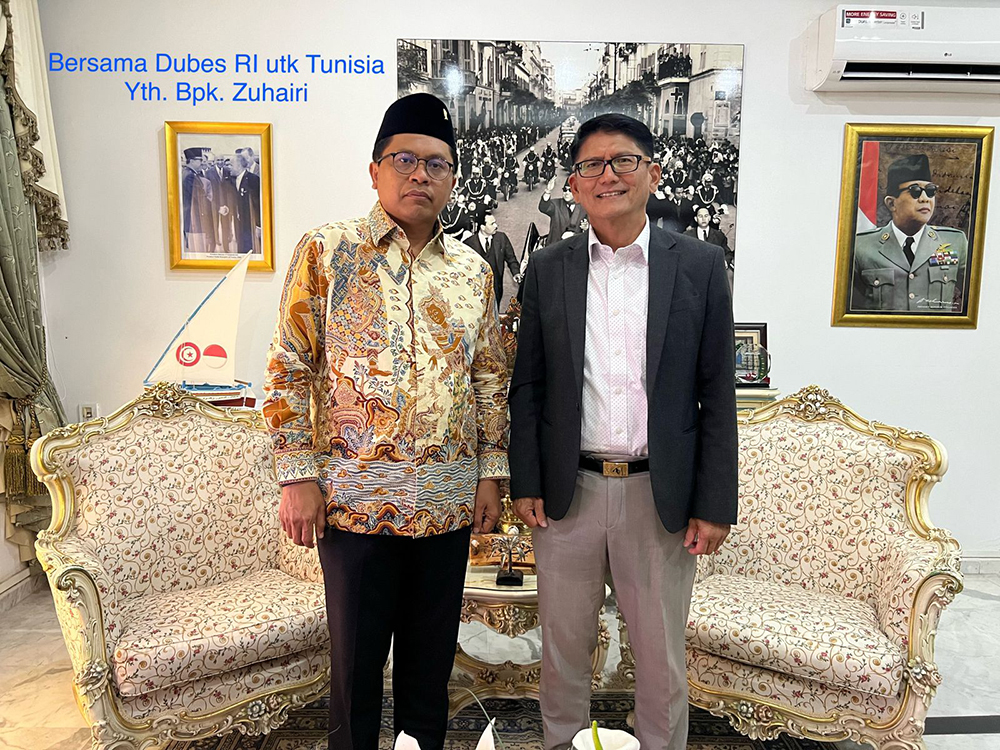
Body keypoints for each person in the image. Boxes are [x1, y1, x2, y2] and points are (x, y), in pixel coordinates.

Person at [263, 92, 508, 750]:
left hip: (445, 507)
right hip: (354, 507)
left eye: (436, 164)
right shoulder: (327, 252)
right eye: (405, 159)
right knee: (356, 672)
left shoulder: (472, 273)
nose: (420, 174)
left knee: (429, 674)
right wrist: (296, 477)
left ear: (452, 179)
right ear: (375, 170)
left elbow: (489, 378)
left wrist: (492, 475)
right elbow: (288, 366)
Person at [508, 113, 737, 750]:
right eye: (591, 165)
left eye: (623, 161)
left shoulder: (698, 265)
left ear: (652, 173)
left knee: (661, 662)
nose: (607, 175)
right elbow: (528, 384)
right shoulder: (548, 268)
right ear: (575, 184)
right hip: (569, 493)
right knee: (562, 655)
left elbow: (716, 392)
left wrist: (715, 503)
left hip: (658, 496)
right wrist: (525, 480)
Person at [852, 153, 968, 313]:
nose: (925, 198)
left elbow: (980, 298)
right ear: (891, 203)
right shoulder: (862, 246)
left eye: (930, 191)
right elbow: (852, 308)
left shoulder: (955, 242)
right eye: (915, 191)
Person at [465, 212, 520, 307]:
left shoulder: (501, 238)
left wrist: (516, 273)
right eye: (492, 224)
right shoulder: (469, 244)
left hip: (496, 287)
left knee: (494, 310)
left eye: (495, 222)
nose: (496, 226)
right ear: (482, 227)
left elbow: (511, 258)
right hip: (477, 288)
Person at [181, 147, 214, 254]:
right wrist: (215, 206)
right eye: (200, 160)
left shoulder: (187, 173)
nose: (202, 163)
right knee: (197, 251)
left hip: (192, 218)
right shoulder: (190, 176)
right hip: (194, 219)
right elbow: (199, 198)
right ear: (192, 160)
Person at [229, 148, 261, 254]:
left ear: (238, 166)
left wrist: (258, 225)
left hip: (250, 224)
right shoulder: (232, 180)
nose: (229, 168)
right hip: (239, 223)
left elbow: (258, 204)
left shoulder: (253, 180)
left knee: (250, 250)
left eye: (231, 165)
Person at [539, 178, 587, 247]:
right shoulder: (556, 204)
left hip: (576, 248)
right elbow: (544, 207)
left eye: (570, 190)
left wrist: (586, 227)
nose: (567, 193)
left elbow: (594, 230)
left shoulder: (585, 208)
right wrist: (548, 191)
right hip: (555, 247)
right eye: (565, 190)